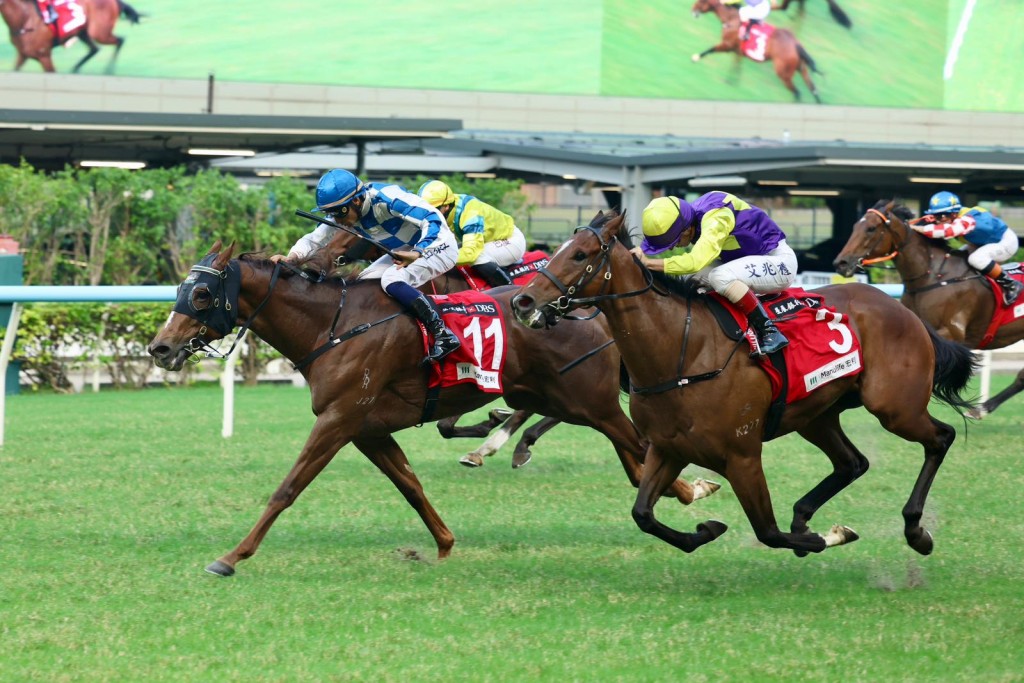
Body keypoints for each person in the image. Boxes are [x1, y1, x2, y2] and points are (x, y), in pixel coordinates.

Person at [272, 169, 461, 363]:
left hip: (438, 245)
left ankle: (443, 333)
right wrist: (291, 258)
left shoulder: (388, 198)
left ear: (356, 200)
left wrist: (418, 252)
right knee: (364, 283)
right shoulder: (344, 208)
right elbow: (314, 239)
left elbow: (432, 218)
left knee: (390, 279)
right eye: (331, 214)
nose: (336, 220)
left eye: (339, 213)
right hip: (407, 248)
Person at [630, 192, 797, 356]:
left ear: (687, 230)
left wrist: (649, 263)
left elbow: (695, 262)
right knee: (696, 282)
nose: (672, 248)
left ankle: (769, 330)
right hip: (751, 260)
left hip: (778, 261)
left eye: (673, 242)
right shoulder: (686, 216)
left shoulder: (716, 218)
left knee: (719, 276)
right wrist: (638, 251)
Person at [915, 191, 1022, 305]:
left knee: (976, 259)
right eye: (936, 216)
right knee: (955, 258)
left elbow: (947, 231)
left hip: (1004, 241)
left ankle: (1012, 284)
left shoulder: (968, 219)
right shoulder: (949, 217)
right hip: (981, 242)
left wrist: (919, 229)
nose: (938, 220)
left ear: (954, 214)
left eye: (941, 216)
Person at [416, 180, 526, 288]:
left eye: (434, 210)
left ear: (446, 206)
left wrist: (434, 259)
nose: (429, 215)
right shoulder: (448, 203)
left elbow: (470, 254)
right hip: (488, 240)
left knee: (478, 258)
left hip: (510, 240)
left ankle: (510, 292)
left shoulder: (470, 214)